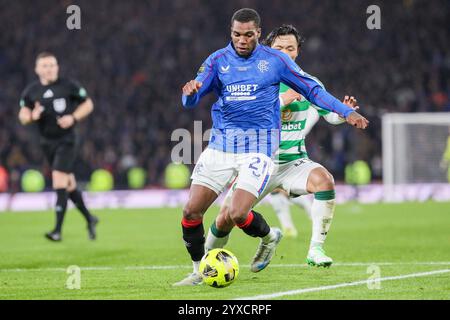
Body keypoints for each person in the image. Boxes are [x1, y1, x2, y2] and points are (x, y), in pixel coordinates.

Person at [176, 9, 368, 286]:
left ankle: (270, 237)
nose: (241, 40)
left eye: (248, 35)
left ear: (258, 34)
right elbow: (193, 99)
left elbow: (313, 90)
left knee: (238, 213)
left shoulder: (275, 61)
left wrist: (345, 112)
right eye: (236, 35)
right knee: (191, 211)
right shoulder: (217, 60)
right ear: (231, 33)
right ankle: (197, 270)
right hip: (221, 145)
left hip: (259, 147)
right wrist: (189, 95)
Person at [18, 52, 98, 242]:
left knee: (58, 180)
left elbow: (88, 104)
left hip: (67, 140)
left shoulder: (68, 85)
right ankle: (90, 218)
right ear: (37, 69)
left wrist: (73, 117)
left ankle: (57, 231)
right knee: (69, 185)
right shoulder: (31, 91)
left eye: (52, 65)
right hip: (47, 143)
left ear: (57, 67)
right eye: (45, 65)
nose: (50, 69)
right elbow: (22, 115)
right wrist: (31, 116)